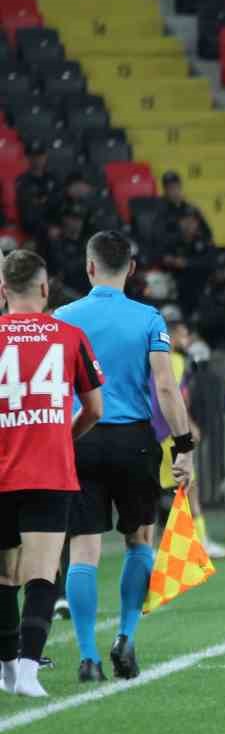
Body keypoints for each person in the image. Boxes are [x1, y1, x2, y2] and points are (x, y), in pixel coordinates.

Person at [55, 230, 194, 682]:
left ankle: (88, 656)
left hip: (80, 438)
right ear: (131, 269)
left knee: (83, 550)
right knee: (139, 541)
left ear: (89, 267)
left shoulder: (63, 318)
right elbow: (167, 388)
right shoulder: (149, 318)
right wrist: (184, 446)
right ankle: (127, 636)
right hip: (134, 440)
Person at [0, 249, 104, 697]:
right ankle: (27, 669)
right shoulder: (69, 335)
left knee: (3, 576)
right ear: (45, 289)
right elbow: (95, 410)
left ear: (3, 291)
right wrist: (63, 436)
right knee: (42, 573)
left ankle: (4, 668)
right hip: (49, 470)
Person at [155, 319, 225, 559]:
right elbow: (173, 395)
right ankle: (197, 544)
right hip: (170, 433)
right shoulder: (172, 360)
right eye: (184, 334)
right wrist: (188, 425)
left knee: (166, 489)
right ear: (172, 335)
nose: (187, 340)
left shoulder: (152, 359)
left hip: (155, 432)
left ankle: (165, 546)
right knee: (187, 488)